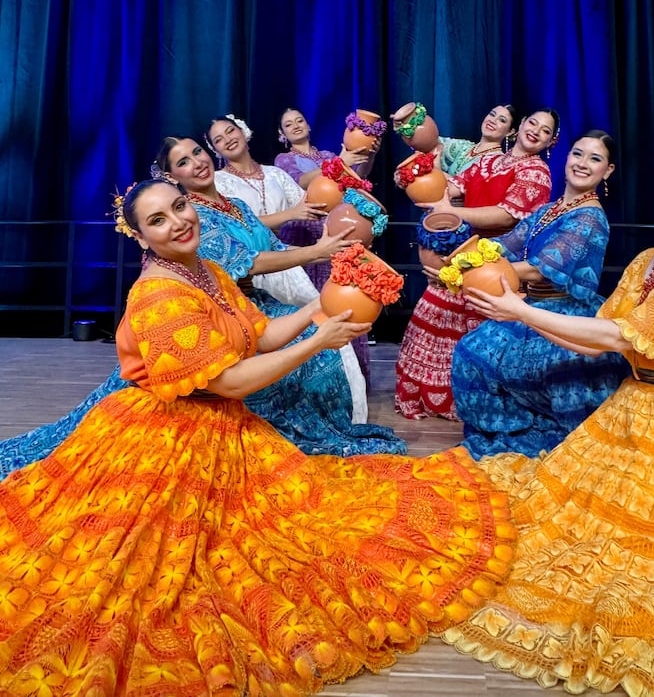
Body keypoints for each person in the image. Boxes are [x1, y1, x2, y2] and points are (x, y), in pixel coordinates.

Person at [0, 178, 516, 696]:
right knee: (157, 565)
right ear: (138, 236)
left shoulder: (204, 270)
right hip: (163, 434)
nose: (178, 222)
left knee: (301, 517)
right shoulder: (158, 295)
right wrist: (318, 342)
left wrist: (321, 312)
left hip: (221, 426)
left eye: (179, 207)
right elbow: (228, 380)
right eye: (157, 220)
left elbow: (259, 334)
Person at [443, 165, 654, 696]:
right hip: (640, 401)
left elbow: (620, 334)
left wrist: (520, 310)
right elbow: (597, 341)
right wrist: (518, 316)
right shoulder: (647, 261)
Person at [156, 135, 404, 455]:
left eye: (197, 152)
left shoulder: (237, 206)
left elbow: (276, 249)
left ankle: (322, 425)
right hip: (225, 310)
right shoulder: (193, 216)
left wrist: (328, 250)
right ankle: (283, 430)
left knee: (321, 331)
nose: (197, 162)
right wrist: (316, 250)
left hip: (254, 303)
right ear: (173, 177)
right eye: (183, 162)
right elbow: (250, 264)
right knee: (314, 341)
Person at [452, 130, 630, 457]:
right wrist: (464, 253)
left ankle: (552, 438)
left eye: (595, 159)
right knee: (470, 350)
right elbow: (504, 245)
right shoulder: (548, 211)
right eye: (578, 154)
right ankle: (509, 428)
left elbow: (538, 268)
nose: (582, 163)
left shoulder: (590, 216)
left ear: (607, 171)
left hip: (570, 312)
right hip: (531, 305)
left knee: (556, 370)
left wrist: (475, 268)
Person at [394, 108, 558, 421]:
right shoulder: (488, 160)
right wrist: (420, 180)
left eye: (546, 131)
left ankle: (472, 400)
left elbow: (506, 215)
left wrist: (454, 213)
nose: (536, 131)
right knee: (432, 320)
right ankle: (434, 399)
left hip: (496, 262)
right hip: (461, 255)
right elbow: (451, 188)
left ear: (551, 141)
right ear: (521, 126)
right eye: (532, 122)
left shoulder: (537, 172)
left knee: (481, 334)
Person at [275, 106, 379, 386]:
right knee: (315, 303)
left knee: (344, 299)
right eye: (288, 124)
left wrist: (367, 155)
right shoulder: (283, 160)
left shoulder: (330, 156)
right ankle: (317, 381)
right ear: (282, 134)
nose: (295, 126)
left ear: (309, 126)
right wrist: (341, 161)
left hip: (336, 231)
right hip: (304, 236)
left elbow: (357, 180)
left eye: (299, 121)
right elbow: (303, 181)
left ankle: (352, 380)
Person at [206, 112, 326, 235]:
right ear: (215, 150)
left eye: (230, 131)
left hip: (292, 246)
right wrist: (290, 214)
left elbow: (306, 206)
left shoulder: (275, 173)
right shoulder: (217, 182)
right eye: (218, 140)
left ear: (242, 131)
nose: (228, 139)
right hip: (255, 252)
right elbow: (235, 224)